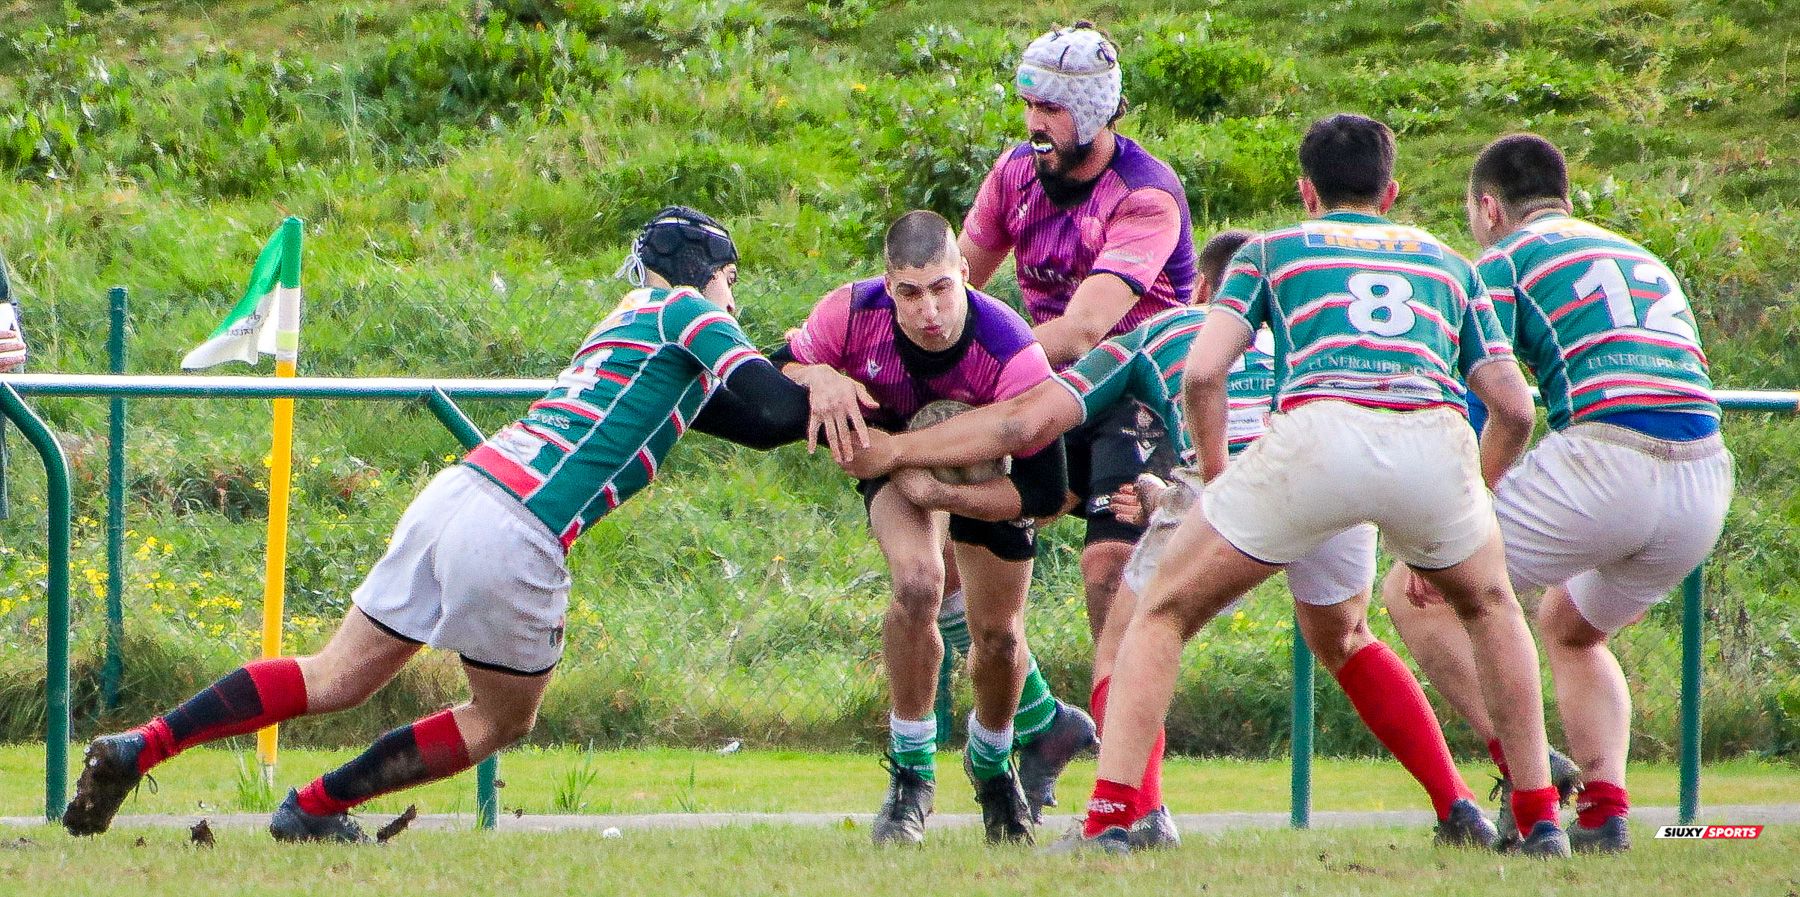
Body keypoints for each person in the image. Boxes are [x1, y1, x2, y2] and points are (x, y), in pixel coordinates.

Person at [62, 207, 814, 841]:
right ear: (702, 274)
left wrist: (811, 371)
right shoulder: (687, 312)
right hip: (522, 524)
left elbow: (747, 417)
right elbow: (778, 408)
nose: (734, 306)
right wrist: (833, 382)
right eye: (732, 285)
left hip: (461, 490)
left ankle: (144, 743)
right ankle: (315, 808)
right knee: (501, 718)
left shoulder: (623, 322)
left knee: (334, 673)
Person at [842, 228, 1499, 851]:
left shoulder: (1166, 330)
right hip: (1334, 461)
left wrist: (902, 449)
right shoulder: (1310, 335)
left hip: (1237, 481)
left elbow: (1033, 414)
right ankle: (1459, 803)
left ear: (1207, 292)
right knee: (1348, 637)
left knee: (1129, 640)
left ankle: (1133, 814)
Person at [1065, 113, 1568, 856]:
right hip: (1430, 437)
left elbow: (1204, 373)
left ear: (1306, 191)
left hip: (1316, 435)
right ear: (1391, 192)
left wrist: (1217, 475)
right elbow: (1517, 409)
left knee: (1163, 609)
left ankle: (1111, 820)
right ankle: (1541, 817)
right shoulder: (1448, 263)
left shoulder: (1273, 249)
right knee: (1490, 606)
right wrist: (1475, 501)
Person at [1383, 134, 1733, 854]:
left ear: (1489, 207)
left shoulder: (1505, 259)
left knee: (1416, 589)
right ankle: (1605, 811)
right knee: (1572, 625)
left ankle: (1528, 768)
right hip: (1705, 475)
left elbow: (1486, 398)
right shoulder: (1637, 253)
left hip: (1607, 458)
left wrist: (1451, 517)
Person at [777, 210, 1078, 846]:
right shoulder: (849, 315)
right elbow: (773, 371)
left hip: (982, 477)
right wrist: (819, 375)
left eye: (941, 288)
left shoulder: (1009, 348)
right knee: (917, 583)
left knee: (997, 639)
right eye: (909, 293)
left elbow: (1044, 492)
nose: (928, 310)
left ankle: (993, 763)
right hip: (892, 469)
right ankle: (911, 776)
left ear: (965, 274)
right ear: (888, 287)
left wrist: (935, 485)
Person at [959, 20, 1196, 655]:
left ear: (1093, 113)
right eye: (1029, 106)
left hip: (1134, 395)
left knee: (1107, 567)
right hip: (1049, 388)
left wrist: (986, 375)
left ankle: (1120, 734)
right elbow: (960, 287)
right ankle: (1035, 719)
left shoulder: (1146, 196)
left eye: (1052, 110)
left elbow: (1087, 329)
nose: (1034, 125)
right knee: (958, 544)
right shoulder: (1014, 173)